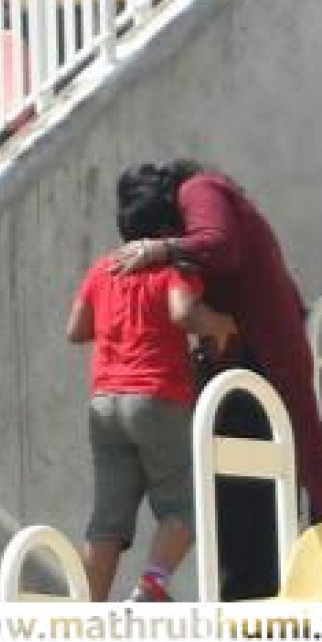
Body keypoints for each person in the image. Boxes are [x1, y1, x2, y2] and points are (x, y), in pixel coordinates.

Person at [113, 160, 322, 598]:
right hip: (241, 364)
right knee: (244, 489)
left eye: (162, 233)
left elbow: (221, 246)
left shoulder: (199, 190)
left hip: (268, 356)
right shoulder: (188, 221)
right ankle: (261, 591)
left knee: (306, 466)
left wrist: (159, 251)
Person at [67, 172, 237, 602]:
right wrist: (218, 323)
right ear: (167, 229)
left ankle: (89, 615)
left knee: (108, 516)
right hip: (158, 397)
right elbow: (182, 313)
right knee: (184, 506)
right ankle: (152, 585)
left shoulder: (102, 269)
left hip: (105, 403)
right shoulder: (169, 269)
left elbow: (75, 329)